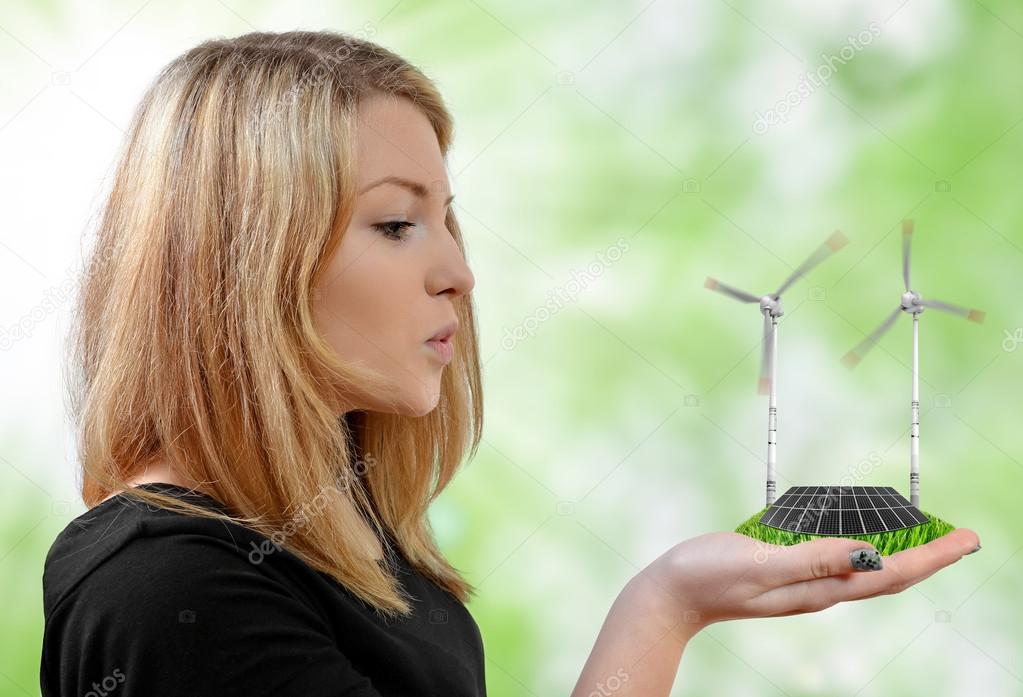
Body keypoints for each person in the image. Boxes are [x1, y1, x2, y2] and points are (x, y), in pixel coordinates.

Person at [41, 29, 980, 697]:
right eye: (397, 223)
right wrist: (661, 608)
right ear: (241, 259)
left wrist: (665, 606)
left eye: (448, 217)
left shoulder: (339, 525)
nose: (458, 271)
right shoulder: (172, 596)